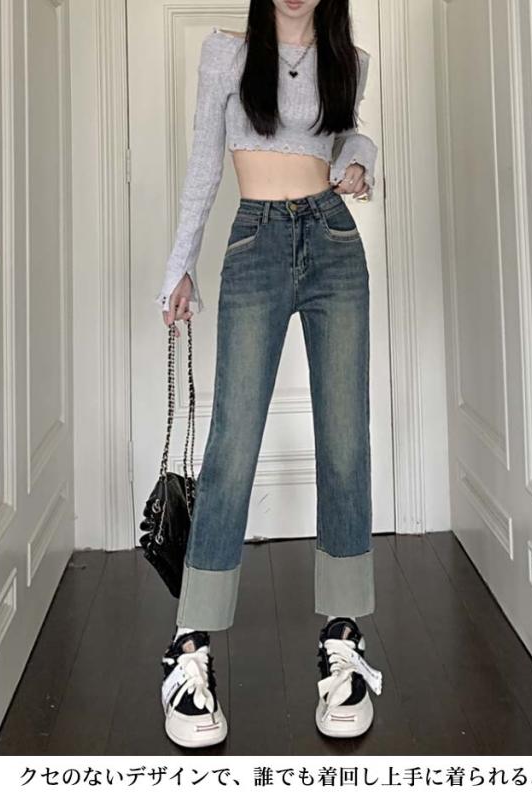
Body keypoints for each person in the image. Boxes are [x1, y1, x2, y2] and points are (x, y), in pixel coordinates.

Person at [156, 0, 383, 749]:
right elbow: (203, 163)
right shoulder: (226, 55)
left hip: (333, 242)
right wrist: (180, 265)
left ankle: (343, 639)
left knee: (345, 441)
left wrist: (360, 162)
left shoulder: (346, 58)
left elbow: (347, 137)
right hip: (254, 243)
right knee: (231, 447)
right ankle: (190, 646)